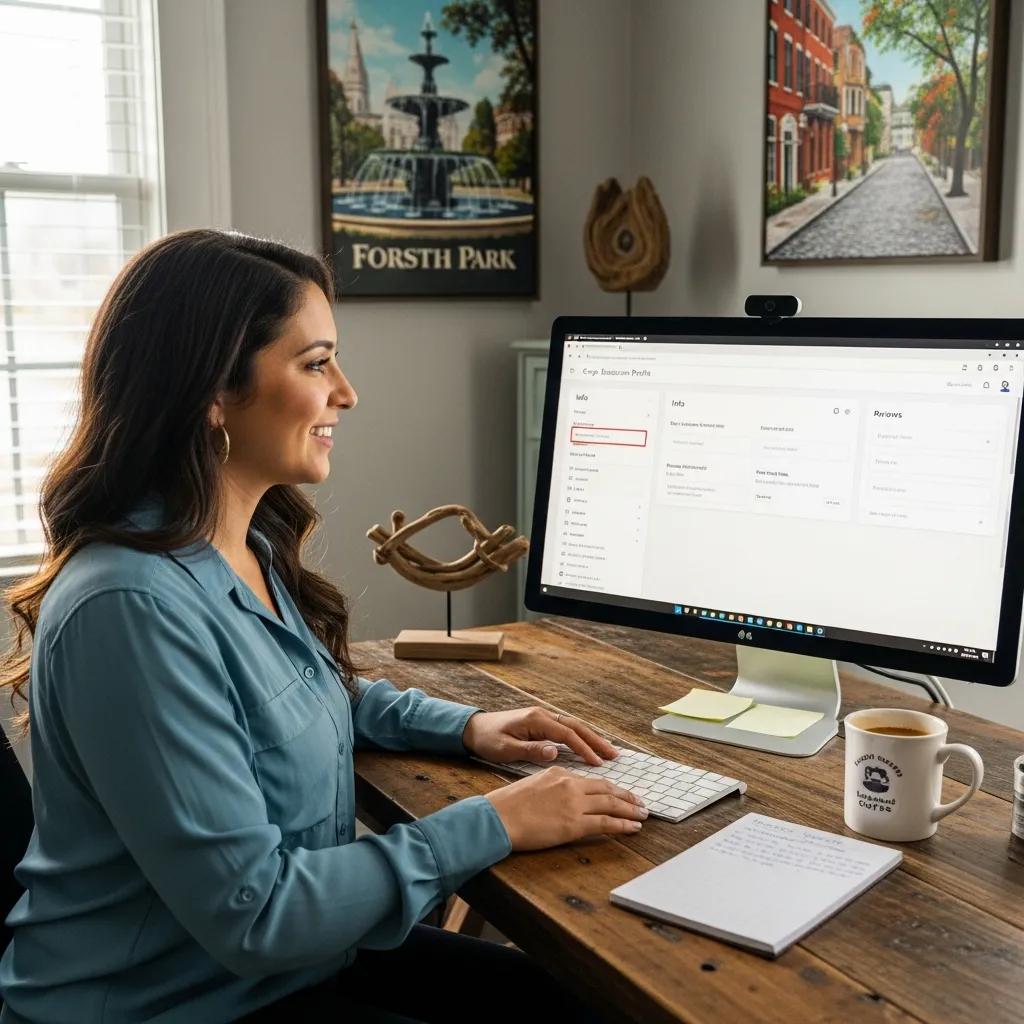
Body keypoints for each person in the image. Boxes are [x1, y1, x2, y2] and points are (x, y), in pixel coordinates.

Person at [0, 230, 646, 1024]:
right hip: (176, 1004)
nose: (346, 392)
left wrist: (472, 727)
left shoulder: (239, 542)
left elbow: (300, 694)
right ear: (211, 390)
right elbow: (258, 914)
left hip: (288, 968)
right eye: (315, 363)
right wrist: (498, 821)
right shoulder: (130, 608)